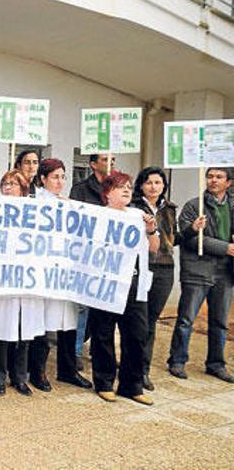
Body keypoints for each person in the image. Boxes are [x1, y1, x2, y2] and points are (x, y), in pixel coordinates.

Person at [91, 171, 157, 405]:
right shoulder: (98, 215)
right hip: (106, 282)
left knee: (137, 335)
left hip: (134, 282)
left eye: (129, 186)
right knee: (103, 334)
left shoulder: (139, 214)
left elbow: (153, 247)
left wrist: (150, 230)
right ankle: (104, 382)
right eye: (120, 187)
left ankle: (132, 385)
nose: (127, 190)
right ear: (108, 193)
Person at [29, 158, 93, 392]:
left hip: (66, 272)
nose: (60, 181)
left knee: (68, 323)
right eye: (54, 176)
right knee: (43, 323)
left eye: (63, 176)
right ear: (43, 179)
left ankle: (67, 370)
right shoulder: (35, 203)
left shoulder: (69, 204)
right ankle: (37, 371)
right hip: (45, 272)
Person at [168, 167, 234, 383]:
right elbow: (191, 239)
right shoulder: (194, 206)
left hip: (225, 271)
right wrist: (226, 247)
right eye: (210, 176)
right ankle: (177, 360)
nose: (213, 180)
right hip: (197, 269)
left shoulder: (232, 206)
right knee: (186, 319)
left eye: (219, 177)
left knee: (220, 321)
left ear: (229, 183)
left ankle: (216, 363)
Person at [0, 170, 44, 396]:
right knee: (2, 330)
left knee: (24, 331)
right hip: (4, 279)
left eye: (13, 184)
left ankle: (19, 377)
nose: (8, 188)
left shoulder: (35, 214)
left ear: (23, 190)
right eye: (5, 184)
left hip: (27, 279)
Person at [131, 167, 179, 391]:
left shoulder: (169, 209)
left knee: (151, 322)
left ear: (163, 186)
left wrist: (192, 230)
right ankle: (132, 367)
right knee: (138, 321)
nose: (153, 187)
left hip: (165, 268)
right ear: (141, 185)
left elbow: (173, 239)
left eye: (158, 183)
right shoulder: (133, 208)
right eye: (149, 182)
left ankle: (143, 370)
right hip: (141, 267)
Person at [69, 153, 116, 368]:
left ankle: (100, 352)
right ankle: (76, 350)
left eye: (113, 160)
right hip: (84, 257)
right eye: (106, 159)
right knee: (82, 308)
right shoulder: (80, 190)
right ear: (93, 164)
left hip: (108, 259)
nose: (111, 163)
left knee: (105, 309)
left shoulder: (117, 189)